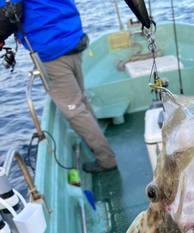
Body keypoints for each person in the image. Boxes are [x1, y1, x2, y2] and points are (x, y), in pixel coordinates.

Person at [0, 0, 117, 173]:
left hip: (52, 50)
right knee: (81, 98)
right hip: (73, 38)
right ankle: (101, 141)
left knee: (74, 110)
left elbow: (8, 12)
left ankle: (107, 159)